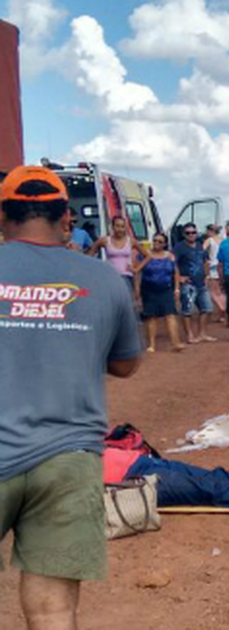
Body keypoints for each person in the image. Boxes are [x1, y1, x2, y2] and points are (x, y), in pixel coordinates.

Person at [0, 165, 143, 630]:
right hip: (68, 457)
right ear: (67, 220)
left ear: (3, 217)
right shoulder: (104, 280)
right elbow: (125, 363)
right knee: (53, 612)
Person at [133, 232, 186, 353]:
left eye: (160, 241)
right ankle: (151, 344)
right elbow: (137, 272)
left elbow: (175, 273)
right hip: (149, 288)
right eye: (155, 240)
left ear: (165, 244)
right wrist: (137, 289)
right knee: (151, 317)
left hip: (166, 288)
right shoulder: (144, 255)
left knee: (170, 315)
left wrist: (177, 288)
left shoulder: (170, 256)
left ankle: (175, 342)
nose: (156, 243)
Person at [173, 222, 216, 343]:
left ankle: (202, 334)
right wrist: (179, 278)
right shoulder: (179, 247)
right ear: (184, 234)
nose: (191, 235)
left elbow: (206, 261)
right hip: (188, 285)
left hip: (201, 283)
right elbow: (173, 264)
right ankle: (189, 335)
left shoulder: (200, 245)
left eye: (193, 232)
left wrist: (207, 276)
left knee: (206, 308)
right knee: (187, 311)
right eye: (188, 233)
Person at [88, 215, 146, 295]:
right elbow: (90, 255)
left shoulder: (131, 241)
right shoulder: (105, 240)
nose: (120, 229)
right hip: (110, 275)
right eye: (117, 226)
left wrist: (137, 269)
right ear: (112, 227)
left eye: (122, 226)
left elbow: (147, 255)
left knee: (126, 301)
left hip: (126, 276)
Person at [203, 223, 226, 323]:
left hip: (213, 266)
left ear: (210, 231)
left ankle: (222, 308)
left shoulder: (209, 240)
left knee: (213, 292)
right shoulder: (223, 240)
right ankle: (222, 313)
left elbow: (201, 251)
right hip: (223, 266)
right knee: (220, 291)